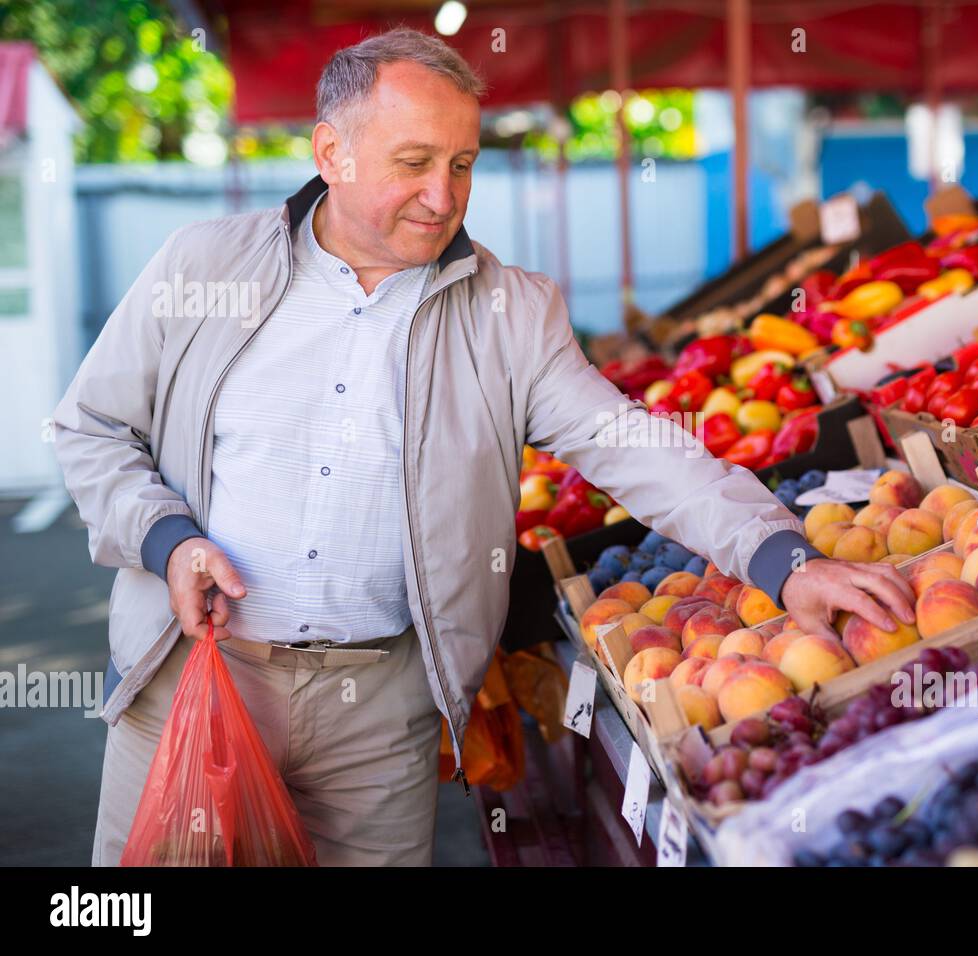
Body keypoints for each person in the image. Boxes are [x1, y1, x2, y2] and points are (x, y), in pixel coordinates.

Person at [54, 28, 914, 867]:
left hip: (377, 713)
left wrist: (785, 560)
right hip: (195, 675)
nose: (444, 195)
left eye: (462, 164)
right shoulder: (204, 264)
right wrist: (166, 540)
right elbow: (90, 429)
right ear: (331, 152)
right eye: (414, 162)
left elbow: (634, 447)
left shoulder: (512, 313)